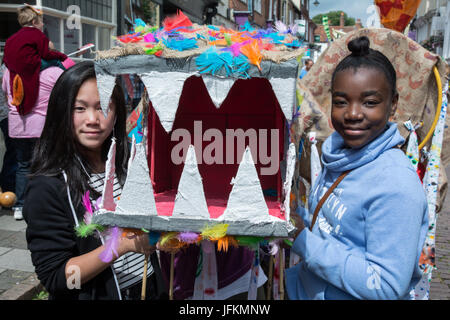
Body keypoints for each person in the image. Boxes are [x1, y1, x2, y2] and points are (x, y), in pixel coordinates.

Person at [285, 36, 428, 300]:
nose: (352, 113)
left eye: (369, 102)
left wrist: (303, 241)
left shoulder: (396, 186)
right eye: (341, 101)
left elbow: (384, 285)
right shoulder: (339, 154)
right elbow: (330, 227)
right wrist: (294, 217)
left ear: (393, 104)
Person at [23, 61, 166, 300]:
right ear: (62, 111)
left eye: (104, 107)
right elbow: (58, 278)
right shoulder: (47, 185)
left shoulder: (128, 164)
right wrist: (119, 246)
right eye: (80, 108)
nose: (93, 119)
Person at [2, 63, 64, 220]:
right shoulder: (53, 71)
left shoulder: (10, 70)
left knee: (23, 166)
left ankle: (20, 205)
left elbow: (5, 94)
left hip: (18, 126)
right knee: (46, 165)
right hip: (42, 125)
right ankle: (43, 203)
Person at [3, 4, 68, 116]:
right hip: (29, 64)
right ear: (34, 22)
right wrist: (61, 56)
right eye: (41, 21)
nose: (43, 24)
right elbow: (46, 54)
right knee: (56, 62)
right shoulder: (38, 34)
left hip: (13, 66)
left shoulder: (11, 38)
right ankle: (67, 79)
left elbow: (6, 57)